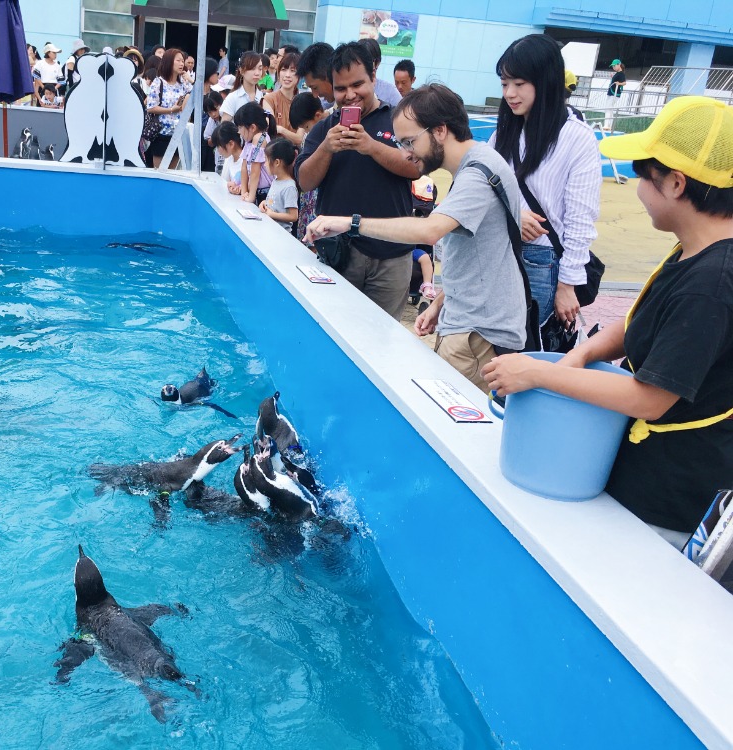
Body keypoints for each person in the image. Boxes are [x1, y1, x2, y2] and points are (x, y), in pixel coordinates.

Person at [483, 95, 733, 545]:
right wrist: (582, 353)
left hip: (666, 498)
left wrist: (538, 373)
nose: (637, 190)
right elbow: (643, 322)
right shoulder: (693, 250)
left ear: (676, 184)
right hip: (642, 466)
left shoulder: (711, 284)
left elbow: (650, 399)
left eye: (644, 177)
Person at [305, 83, 528, 389]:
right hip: (471, 323)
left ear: (439, 131)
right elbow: (485, 257)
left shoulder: (477, 174)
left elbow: (428, 230)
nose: (406, 154)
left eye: (409, 142)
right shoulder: (479, 164)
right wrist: (441, 303)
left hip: (478, 334)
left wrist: (350, 223)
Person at [295, 42, 421, 321]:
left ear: (373, 77)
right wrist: (326, 148)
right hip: (339, 255)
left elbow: (417, 168)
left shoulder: (398, 120)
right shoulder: (325, 129)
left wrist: (371, 146)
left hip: (391, 255)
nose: (350, 94)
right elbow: (305, 181)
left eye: (358, 84)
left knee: (384, 341)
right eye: (341, 88)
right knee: (336, 333)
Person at [491, 34, 601, 328]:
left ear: (546, 80)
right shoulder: (503, 134)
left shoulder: (577, 138)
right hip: (498, 252)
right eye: (504, 84)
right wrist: (513, 213)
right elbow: (479, 190)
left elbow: (581, 219)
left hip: (543, 260)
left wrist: (568, 285)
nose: (510, 93)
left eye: (519, 83)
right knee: (491, 350)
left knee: (528, 354)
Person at [289, 93, 328, 245]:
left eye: (306, 126)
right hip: (308, 194)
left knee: (318, 237)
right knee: (306, 238)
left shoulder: (329, 131)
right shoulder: (311, 133)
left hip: (320, 195)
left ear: (318, 115)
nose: (305, 131)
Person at [144, 48, 194, 168]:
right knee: (159, 171)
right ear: (169, 62)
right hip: (162, 134)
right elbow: (151, 107)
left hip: (178, 134)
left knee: (173, 172)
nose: (182, 64)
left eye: (183, 61)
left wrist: (190, 80)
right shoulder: (158, 82)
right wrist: (171, 109)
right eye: (178, 61)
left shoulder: (183, 83)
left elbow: (194, 99)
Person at [234, 102, 277, 205]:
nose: (238, 132)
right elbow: (244, 168)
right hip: (254, 190)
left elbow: (255, 171)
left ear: (252, 127)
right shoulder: (248, 142)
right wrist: (244, 192)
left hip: (265, 193)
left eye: (240, 127)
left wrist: (251, 197)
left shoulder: (260, 138)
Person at [262, 53, 304, 145]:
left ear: (299, 75)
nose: (287, 75)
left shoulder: (303, 103)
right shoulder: (269, 99)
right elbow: (271, 131)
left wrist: (281, 130)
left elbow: (299, 139)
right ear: (278, 72)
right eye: (284, 70)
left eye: (293, 71)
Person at [260, 138, 299, 231]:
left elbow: (293, 216)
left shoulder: (289, 187)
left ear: (277, 162)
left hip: (281, 235)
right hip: (271, 231)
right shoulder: (276, 180)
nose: (264, 164)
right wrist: (264, 203)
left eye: (266, 160)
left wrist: (272, 214)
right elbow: (274, 203)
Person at [220, 52, 264, 122]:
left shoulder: (264, 97)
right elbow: (224, 128)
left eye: (260, 69)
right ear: (241, 71)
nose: (257, 73)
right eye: (252, 68)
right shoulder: (232, 98)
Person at [357, 38, 399, 107]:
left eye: (367, 62)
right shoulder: (346, 90)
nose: (362, 66)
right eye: (358, 62)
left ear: (377, 63)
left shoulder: (390, 92)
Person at [215, 121, 244, 193]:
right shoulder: (229, 159)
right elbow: (224, 183)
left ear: (231, 144)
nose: (218, 150)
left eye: (218, 146)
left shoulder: (245, 161)